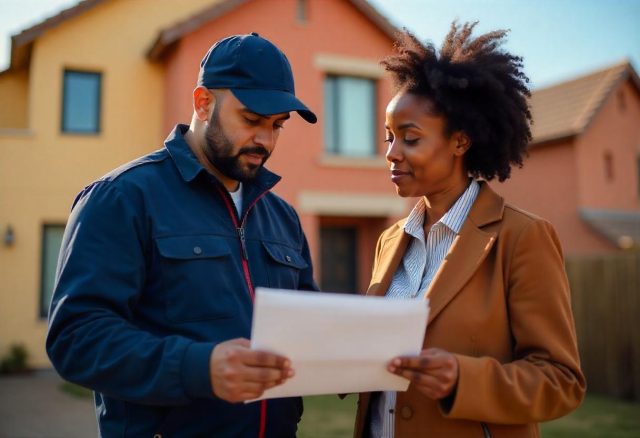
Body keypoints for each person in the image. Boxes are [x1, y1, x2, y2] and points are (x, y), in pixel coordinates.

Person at [46, 33, 318, 437]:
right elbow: (76, 338)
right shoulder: (121, 197)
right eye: (252, 120)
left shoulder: (283, 218)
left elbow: (305, 327)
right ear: (203, 102)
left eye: (277, 126)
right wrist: (199, 368)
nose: (266, 140)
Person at [354, 22, 586, 437]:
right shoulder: (390, 241)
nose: (390, 153)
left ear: (460, 142)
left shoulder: (522, 237)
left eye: (409, 138)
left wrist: (463, 378)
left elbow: (560, 381)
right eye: (388, 137)